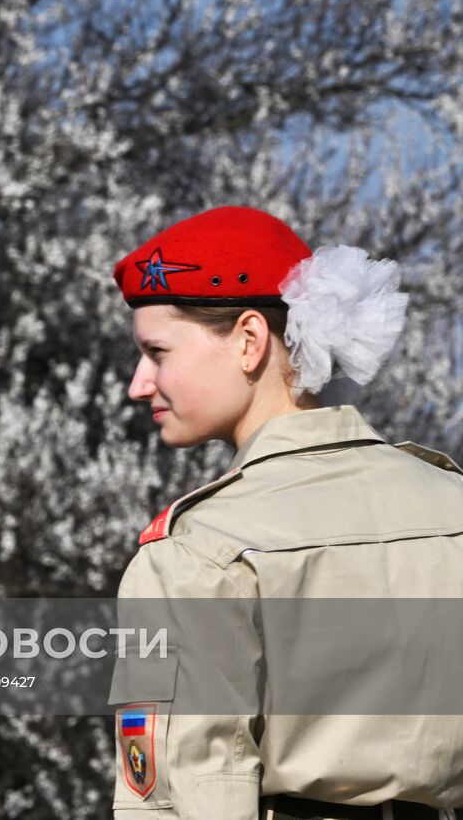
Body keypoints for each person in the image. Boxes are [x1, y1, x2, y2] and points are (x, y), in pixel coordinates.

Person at [108, 206, 463, 820]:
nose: (140, 383)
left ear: (249, 342)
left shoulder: (199, 551)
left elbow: (183, 799)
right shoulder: (450, 505)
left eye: (158, 351)